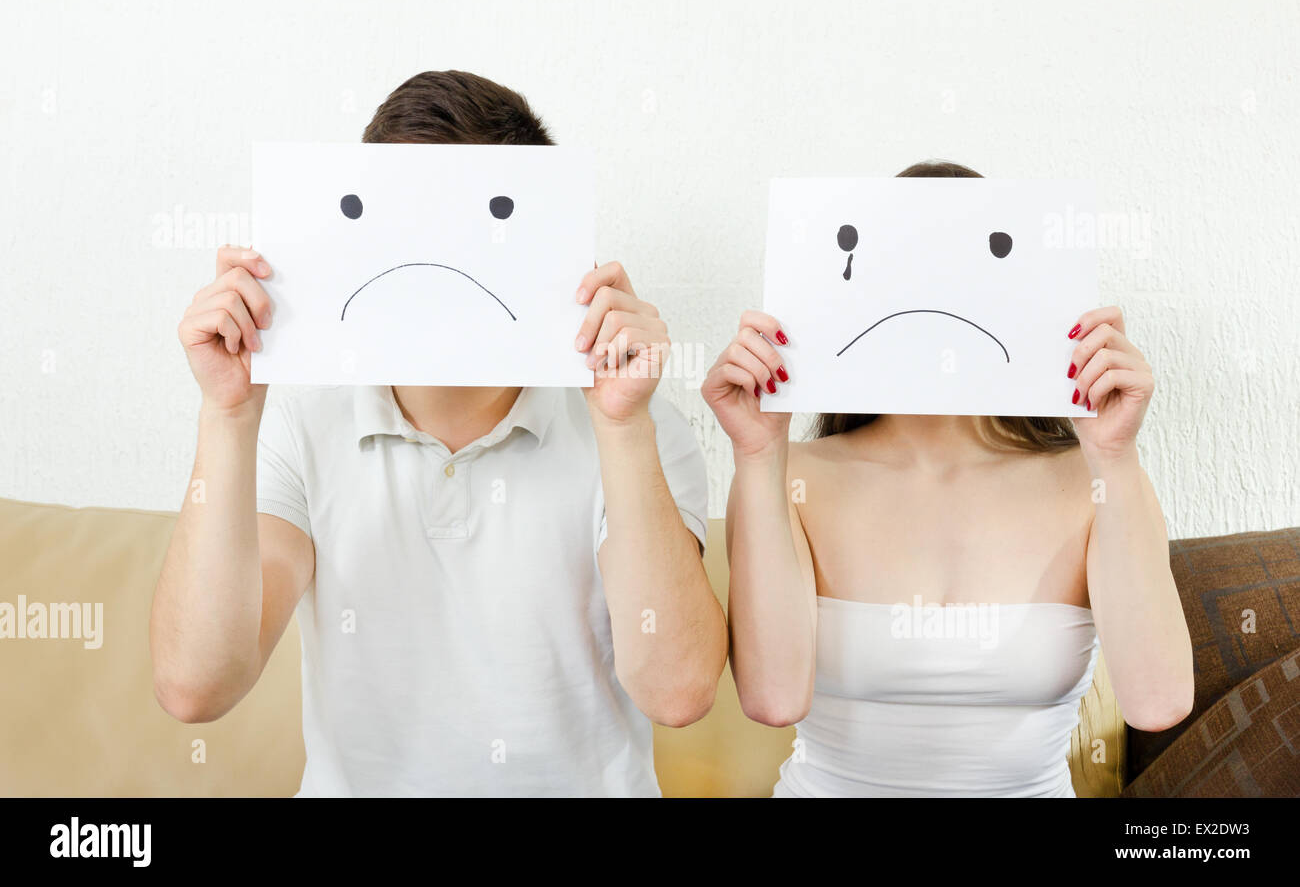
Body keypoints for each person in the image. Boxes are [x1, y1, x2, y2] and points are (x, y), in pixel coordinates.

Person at [150, 70, 727, 797]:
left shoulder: (640, 428)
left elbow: (679, 693)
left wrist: (622, 427)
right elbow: (195, 687)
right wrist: (228, 415)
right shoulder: (299, 427)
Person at [704, 160, 1193, 797]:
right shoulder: (791, 476)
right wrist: (760, 453)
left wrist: (1115, 456)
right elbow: (771, 698)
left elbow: (1157, 702)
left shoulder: (1092, 480)